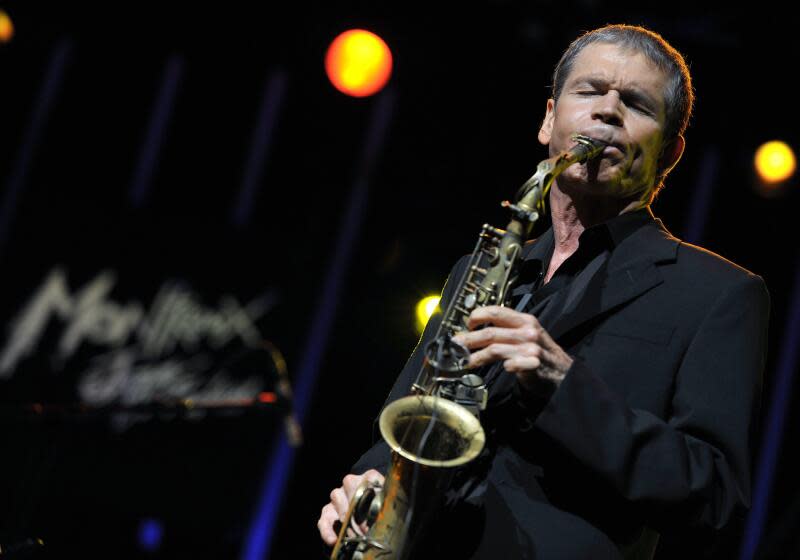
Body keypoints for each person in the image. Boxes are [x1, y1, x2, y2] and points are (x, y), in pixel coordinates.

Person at [318, 24, 770, 559]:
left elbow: (713, 493)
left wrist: (562, 383)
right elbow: (411, 418)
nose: (607, 111)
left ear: (669, 152)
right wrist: (366, 481)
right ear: (548, 119)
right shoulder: (479, 269)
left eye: (636, 103)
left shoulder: (717, 293)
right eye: (590, 91)